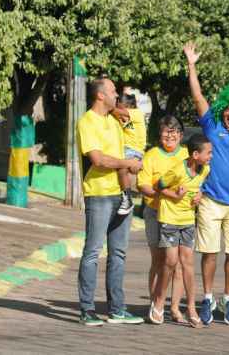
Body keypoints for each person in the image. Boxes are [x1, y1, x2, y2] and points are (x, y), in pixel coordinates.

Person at [184, 42, 229, 326]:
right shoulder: (212, 126)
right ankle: (207, 299)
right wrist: (191, 65)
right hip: (211, 201)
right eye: (227, 108)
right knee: (210, 253)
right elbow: (198, 96)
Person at [76, 78, 144, 326]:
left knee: (118, 253)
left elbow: (119, 156)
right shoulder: (86, 122)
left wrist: (129, 179)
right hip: (99, 194)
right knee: (93, 251)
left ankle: (117, 309)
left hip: (120, 194)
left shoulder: (113, 121)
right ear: (100, 96)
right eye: (114, 92)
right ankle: (87, 309)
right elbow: (98, 159)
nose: (118, 95)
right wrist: (128, 164)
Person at [148, 133, 212, 328]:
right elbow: (158, 186)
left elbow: (200, 188)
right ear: (195, 154)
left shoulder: (204, 170)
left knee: (188, 263)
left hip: (187, 220)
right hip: (169, 219)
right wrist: (174, 195)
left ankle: (191, 308)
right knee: (170, 261)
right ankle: (159, 302)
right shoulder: (177, 171)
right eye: (208, 153)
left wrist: (199, 195)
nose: (211, 156)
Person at [136, 115, 188, 322]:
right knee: (159, 261)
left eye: (174, 131)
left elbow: (198, 179)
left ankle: (175, 308)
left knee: (179, 264)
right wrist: (164, 194)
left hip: (180, 215)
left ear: (181, 135)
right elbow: (143, 185)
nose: (170, 135)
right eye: (166, 131)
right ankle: (155, 304)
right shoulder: (151, 155)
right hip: (156, 213)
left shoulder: (186, 154)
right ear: (159, 135)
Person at [112, 93, 146, 215]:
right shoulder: (122, 117)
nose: (118, 109)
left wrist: (109, 107)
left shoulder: (137, 113)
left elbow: (117, 112)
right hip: (126, 149)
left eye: (120, 107)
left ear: (129, 106)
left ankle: (127, 199)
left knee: (121, 168)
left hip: (134, 150)